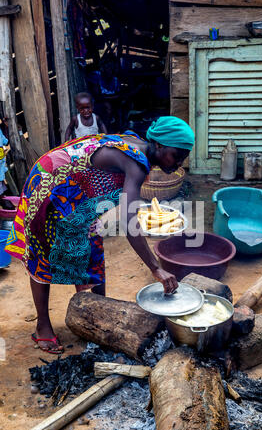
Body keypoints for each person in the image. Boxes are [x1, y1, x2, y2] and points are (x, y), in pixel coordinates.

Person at [5, 116, 195, 354]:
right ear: (158, 145)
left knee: (91, 248)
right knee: (43, 255)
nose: (178, 163)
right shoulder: (135, 162)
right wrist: (155, 268)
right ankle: (42, 326)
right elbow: (129, 221)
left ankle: (98, 313)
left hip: (77, 197)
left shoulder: (138, 144)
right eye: (176, 155)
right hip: (49, 187)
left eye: (183, 158)